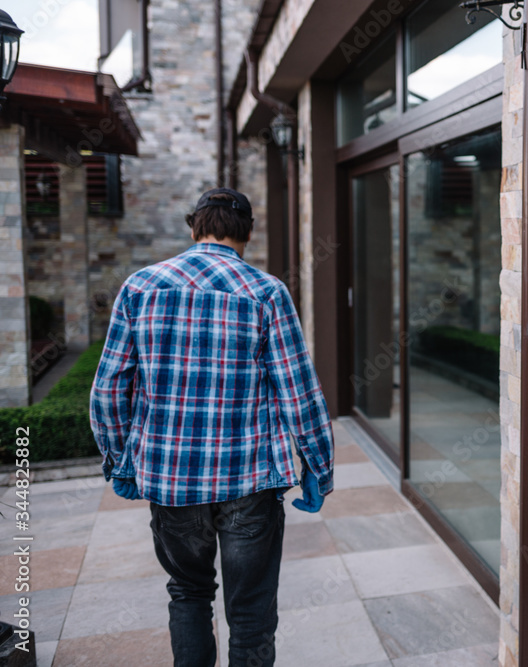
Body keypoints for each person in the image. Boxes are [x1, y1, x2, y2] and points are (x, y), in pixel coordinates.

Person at [90, 187, 335, 667]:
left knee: (187, 592)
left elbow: (108, 389)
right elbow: (298, 389)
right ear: (247, 233)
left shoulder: (141, 286)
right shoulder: (265, 292)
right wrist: (318, 467)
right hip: (250, 483)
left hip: (170, 482)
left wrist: (119, 459)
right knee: (250, 616)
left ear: (194, 226)